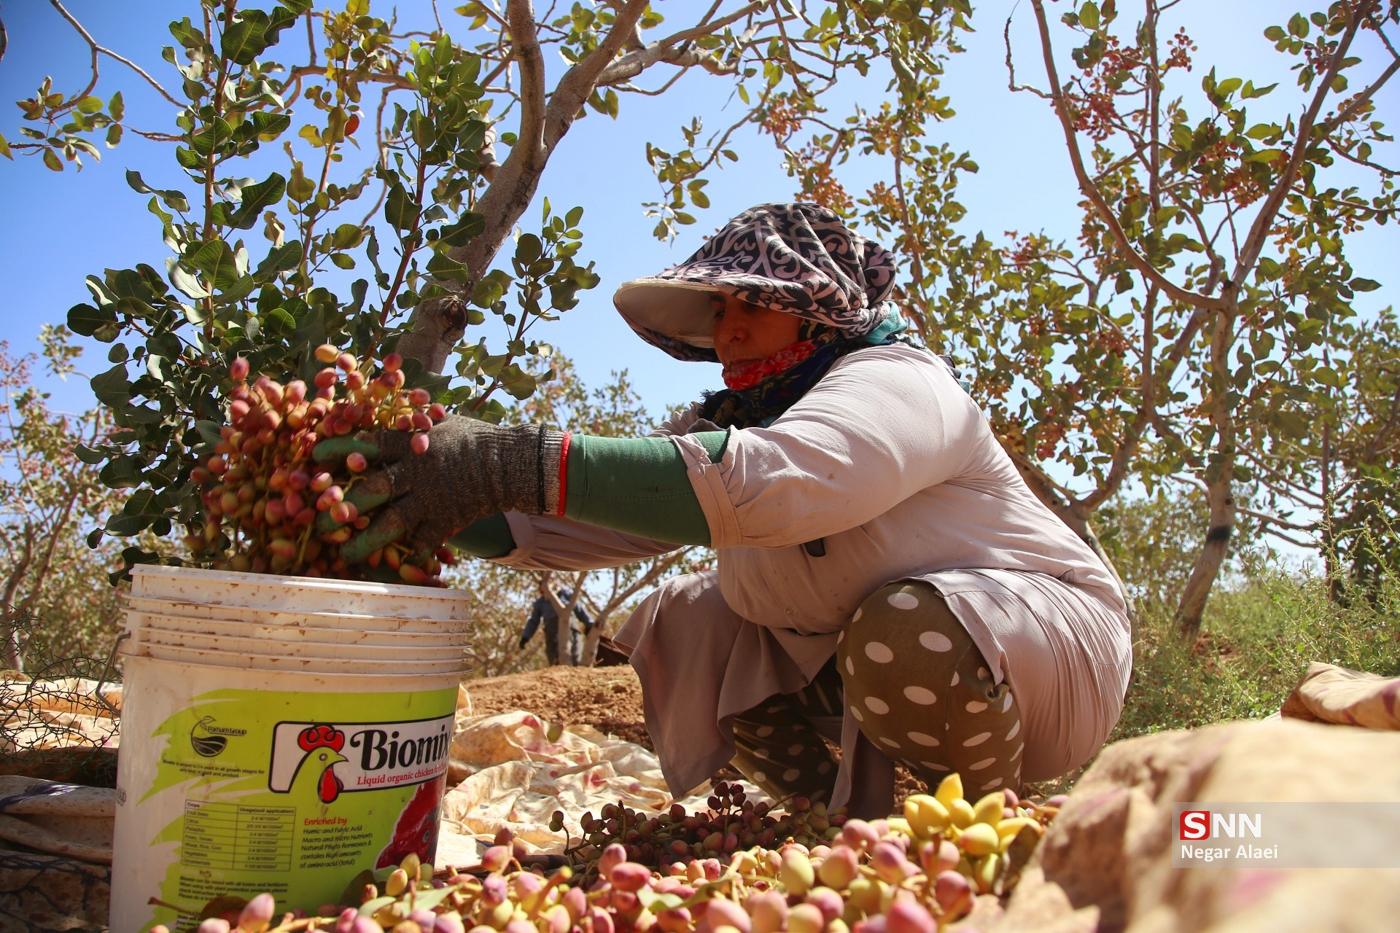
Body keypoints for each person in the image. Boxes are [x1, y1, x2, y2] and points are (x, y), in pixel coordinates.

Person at [321, 203, 1132, 817]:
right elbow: (569, 518)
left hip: (1046, 656)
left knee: (905, 630)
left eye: (752, 304)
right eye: (719, 312)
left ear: (816, 307)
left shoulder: (901, 381)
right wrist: (425, 492)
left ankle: (990, 828)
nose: (730, 330)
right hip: (878, 663)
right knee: (692, 617)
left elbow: (772, 482)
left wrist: (501, 458)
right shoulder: (735, 421)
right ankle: (836, 824)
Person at [519, 581, 593, 665]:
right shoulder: (540, 603)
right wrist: (525, 637)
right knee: (555, 660)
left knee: (575, 657)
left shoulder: (566, 595)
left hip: (572, 631)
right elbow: (533, 621)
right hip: (552, 635)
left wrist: (589, 624)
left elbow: (580, 610)